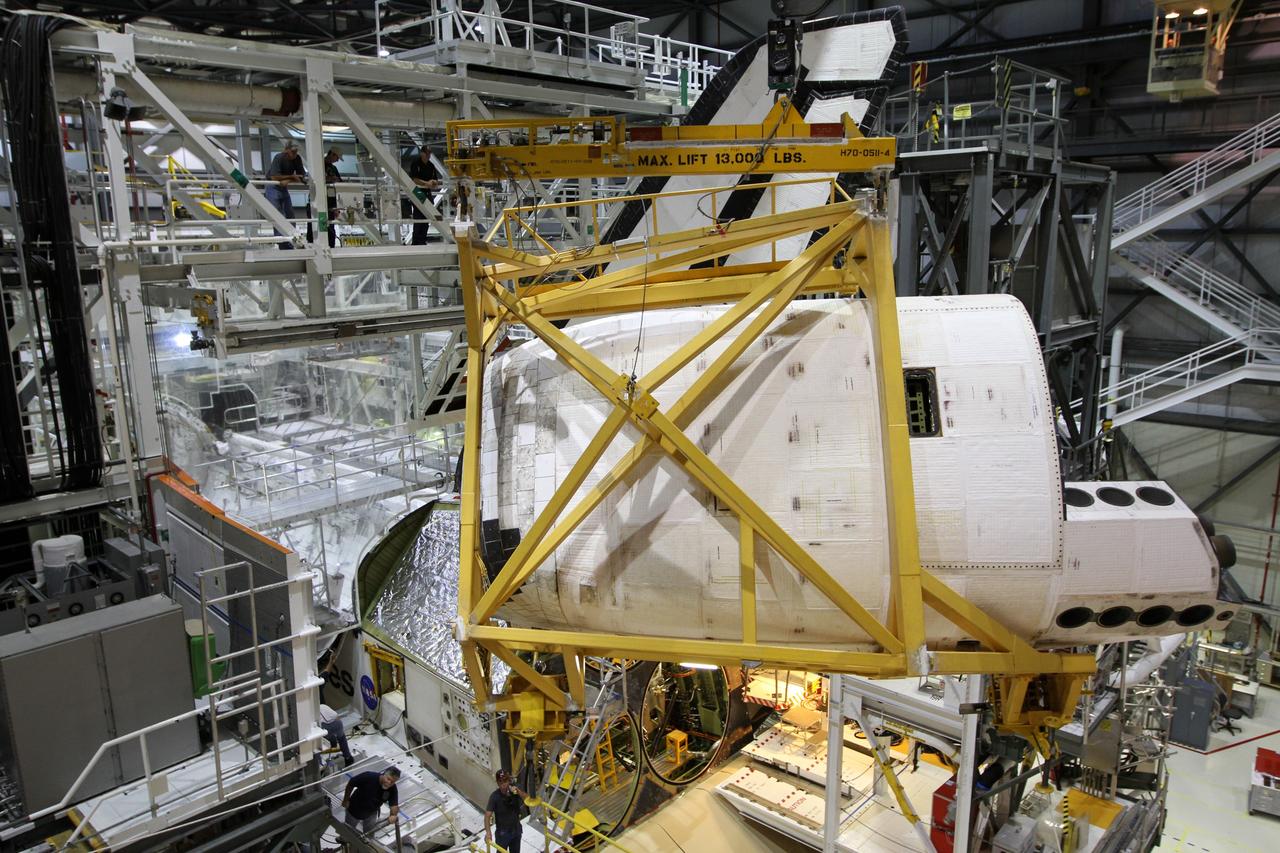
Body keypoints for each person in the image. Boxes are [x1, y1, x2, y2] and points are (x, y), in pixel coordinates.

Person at [265, 139, 306, 249]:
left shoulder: (297, 159)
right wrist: (292, 177)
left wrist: (289, 180)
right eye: (293, 151)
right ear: (286, 150)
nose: (294, 154)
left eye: (296, 151)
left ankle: (291, 240)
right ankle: (282, 242)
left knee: (289, 214)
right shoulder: (279, 157)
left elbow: (301, 175)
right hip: (272, 186)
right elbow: (274, 177)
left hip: (283, 187)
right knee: (278, 214)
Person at [342, 766, 400, 835]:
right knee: (348, 832)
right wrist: (345, 800)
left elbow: (394, 805)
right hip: (354, 809)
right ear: (383, 774)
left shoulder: (392, 788)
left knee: (369, 835)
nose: (389, 783)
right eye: (388, 779)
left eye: (392, 782)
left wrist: (393, 815)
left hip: (371, 813)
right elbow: (351, 784)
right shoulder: (369, 776)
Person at [405, 146, 441, 245]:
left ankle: (422, 240)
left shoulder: (431, 165)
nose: (428, 156)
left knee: (427, 217)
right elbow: (414, 179)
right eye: (427, 153)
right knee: (418, 216)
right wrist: (426, 183)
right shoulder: (415, 163)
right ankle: (416, 241)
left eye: (429, 154)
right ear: (422, 153)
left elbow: (435, 179)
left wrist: (434, 182)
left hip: (427, 192)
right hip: (417, 191)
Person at [484, 769, 526, 852]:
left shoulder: (515, 791)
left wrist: (518, 792)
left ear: (509, 781)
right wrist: (488, 832)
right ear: (497, 783)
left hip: (516, 829)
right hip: (503, 833)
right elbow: (487, 815)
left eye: (505, 781)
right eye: (500, 782)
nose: (503, 784)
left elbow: (528, 800)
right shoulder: (494, 797)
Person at [318, 703, 353, 767]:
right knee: (342, 738)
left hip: (325, 727)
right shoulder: (323, 706)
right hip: (337, 722)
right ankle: (348, 758)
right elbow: (336, 716)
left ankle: (319, 766)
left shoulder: (311, 714)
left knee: (315, 745)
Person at [323, 147, 342, 248]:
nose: (337, 160)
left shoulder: (333, 168)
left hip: (331, 202)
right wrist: (330, 179)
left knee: (331, 226)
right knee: (322, 225)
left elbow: (340, 183)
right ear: (332, 154)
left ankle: (331, 247)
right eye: (337, 158)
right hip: (321, 201)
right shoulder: (319, 165)